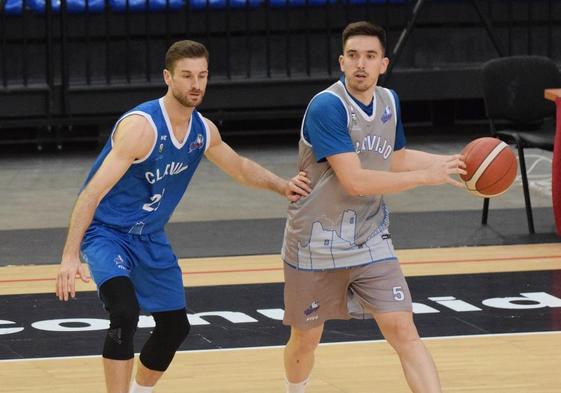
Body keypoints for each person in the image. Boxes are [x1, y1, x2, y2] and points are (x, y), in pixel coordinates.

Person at [55, 40, 311, 393]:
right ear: (168, 77)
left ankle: (140, 390)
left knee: (175, 327)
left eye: (202, 76)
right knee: (125, 313)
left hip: (150, 236)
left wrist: (282, 186)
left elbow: (239, 167)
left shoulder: (202, 131)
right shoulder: (141, 127)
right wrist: (70, 255)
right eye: (187, 76)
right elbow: (91, 194)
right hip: (107, 233)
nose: (196, 84)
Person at [281, 21, 466, 393]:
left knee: (403, 329)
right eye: (353, 56)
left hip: (369, 238)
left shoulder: (389, 101)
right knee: (307, 339)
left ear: (384, 63)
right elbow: (356, 180)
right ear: (341, 62)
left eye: (369, 56)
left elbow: (394, 159)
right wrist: (425, 178)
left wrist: (451, 162)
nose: (360, 64)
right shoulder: (327, 107)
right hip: (316, 244)